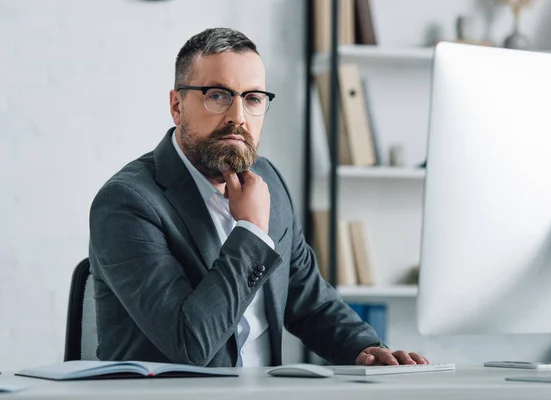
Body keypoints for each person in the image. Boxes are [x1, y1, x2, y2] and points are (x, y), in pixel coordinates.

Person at [89, 27, 429, 368]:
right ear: (177, 106)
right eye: (218, 95)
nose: (238, 117)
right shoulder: (126, 203)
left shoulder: (268, 182)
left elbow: (310, 302)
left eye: (252, 99)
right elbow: (189, 343)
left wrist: (368, 351)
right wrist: (251, 230)